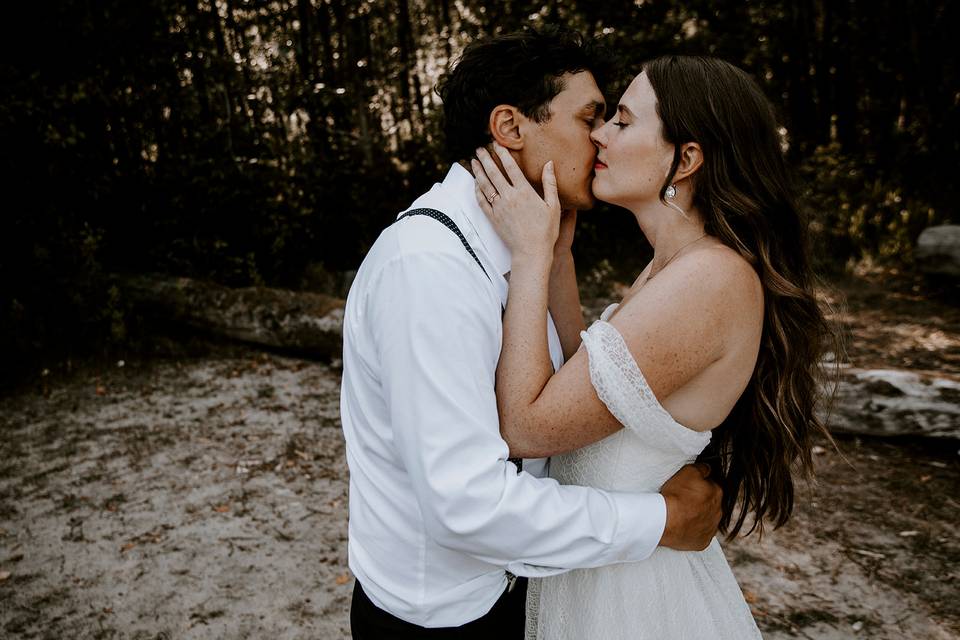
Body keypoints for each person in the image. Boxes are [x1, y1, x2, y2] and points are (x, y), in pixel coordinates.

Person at [340, 30, 724, 639]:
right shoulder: (428, 267)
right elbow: (467, 506)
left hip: (529, 589)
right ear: (511, 128)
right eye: (589, 117)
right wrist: (657, 520)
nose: (601, 137)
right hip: (445, 619)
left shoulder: (527, 244)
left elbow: (565, 403)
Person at [473, 54, 834, 639]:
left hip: (632, 599)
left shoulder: (708, 280)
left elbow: (527, 426)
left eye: (621, 120)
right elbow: (581, 386)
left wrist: (530, 256)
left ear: (686, 159)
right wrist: (559, 257)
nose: (597, 134)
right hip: (607, 565)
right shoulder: (674, 267)